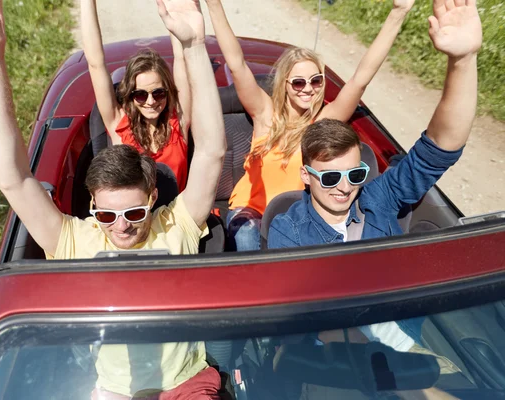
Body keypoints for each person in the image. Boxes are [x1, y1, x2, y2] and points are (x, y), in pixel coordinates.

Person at [0, 0, 225, 397]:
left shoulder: (177, 222)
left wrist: (196, 45)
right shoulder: (75, 240)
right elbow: (11, 179)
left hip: (186, 382)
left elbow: (213, 151)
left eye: (133, 212)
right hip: (114, 390)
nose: (121, 227)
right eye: (106, 215)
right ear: (92, 206)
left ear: (152, 198)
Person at [269, 0, 482, 397]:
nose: (345, 186)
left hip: (402, 341)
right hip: (333, 364)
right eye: (330, 176)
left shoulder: (377, 198)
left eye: (355, 174)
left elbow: (439, 148)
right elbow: (311, 322)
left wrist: (464, 60)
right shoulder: (288, 231)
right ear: (306, 176)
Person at [205, 0, 415, 251]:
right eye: (298, 82)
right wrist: (214, 4)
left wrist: (398, 12)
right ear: (284, 83)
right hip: (251, 213)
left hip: (295, 217)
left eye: (316, 81)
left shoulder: (323, 124)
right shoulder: (265, 114)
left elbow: (360, 79)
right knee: (248, 239)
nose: (308, 88)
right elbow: (237, 65)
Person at [81, 0, 191, 191]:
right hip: (135, 218)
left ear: (168, 91)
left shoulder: (179, 120)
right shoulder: (118, 124)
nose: (151, 102)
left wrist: (173, 12)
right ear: (130, 95)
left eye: (158, 93)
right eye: (140, 94)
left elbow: (182, 58)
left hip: (178, 218)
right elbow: (95, 63)